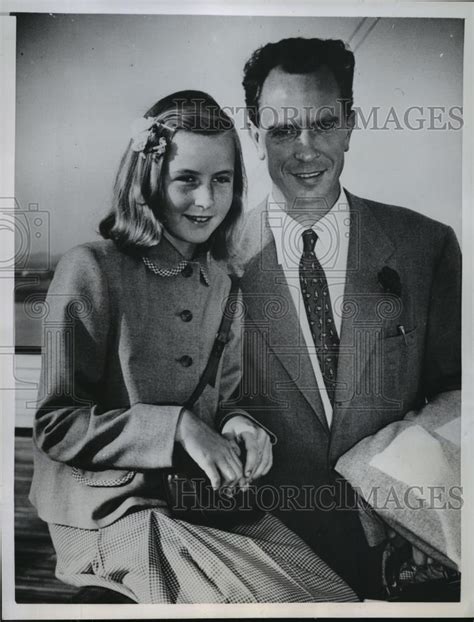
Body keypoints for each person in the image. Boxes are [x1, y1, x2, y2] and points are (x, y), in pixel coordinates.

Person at [28, 90, 358, 603]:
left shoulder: (224, 281)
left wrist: (238, 424)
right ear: (148, 179)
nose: (206, 201)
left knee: (328, 595)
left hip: (199, 501)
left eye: (221, 181)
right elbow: (56, 425)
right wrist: (179, 427)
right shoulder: (90, 269)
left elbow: (224, 398)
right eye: (187, 180)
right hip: (109, 511)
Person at [217, 38, 461, 599]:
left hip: (411, 555)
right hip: (269, 559)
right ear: (254, 134)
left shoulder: (428, 246)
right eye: (281, 130)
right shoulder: (212, 263)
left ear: (351, 123)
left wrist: (406, 492)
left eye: (324, 123)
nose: (306, 150)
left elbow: (459, 392)